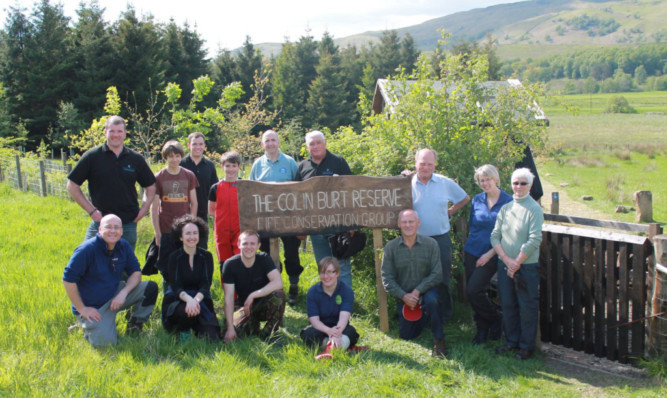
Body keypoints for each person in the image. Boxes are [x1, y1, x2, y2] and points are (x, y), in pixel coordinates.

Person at [63, 214, 158, 347]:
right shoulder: (86, 249)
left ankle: (135, 326)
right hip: (94, 306)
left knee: (150, 287)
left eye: (116, 227)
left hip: (114, 294)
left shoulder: (123, 246)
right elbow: (68, 280)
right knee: (106, 345)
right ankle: (85, 323)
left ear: (122, 231)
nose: (113, 231)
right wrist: (82, 309)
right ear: (99, 230)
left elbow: (136, 273)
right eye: (108, 227)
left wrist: (123, 293)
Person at [66, 115, 156, 249]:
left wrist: (143, 210)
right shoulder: (92, 156)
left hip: (128, 223)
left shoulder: (135, 159)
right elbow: (72, 185)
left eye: (119, 131)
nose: (116, 135)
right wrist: (92, 212)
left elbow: (151, 186)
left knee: (124, 266)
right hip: (100, 222)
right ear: (105, 132)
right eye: (112, 131)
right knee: (86, 258)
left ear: (125, 134)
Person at [411, 148, 470, 323]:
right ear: (416, 164)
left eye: (430, 164)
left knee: (442, 276)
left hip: (440, 239)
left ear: (435, 165)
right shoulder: (407, 182)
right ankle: (422, 315)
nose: (426, 167)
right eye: (422, 163)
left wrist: (450, 212)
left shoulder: (444, 183)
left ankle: (445, 316)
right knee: (418, 277)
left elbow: (464, 198)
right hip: (416, 240)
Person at [490, 168, 544, 360]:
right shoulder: (506, 208)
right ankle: (511, 341)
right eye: (515, 183)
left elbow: (534, 239)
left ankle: (526, 346)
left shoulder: (534, 209)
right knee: (508, 304)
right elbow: (495, 236)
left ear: (530, 185)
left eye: (523, 183)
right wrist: (507, 261)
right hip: (505, 265)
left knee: (527, 307)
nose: (519, 187)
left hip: (526, 267)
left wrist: (517, 262)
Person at [381, 209, 446, 358]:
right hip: (404, 295)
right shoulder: (391, 247)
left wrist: (417, 292)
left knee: (433, 300)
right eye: (404, 222)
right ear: (399, 224)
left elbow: (437, 274)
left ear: (418, 223)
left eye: (411, 221)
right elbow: (387, 278)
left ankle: (439, 340)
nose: (408, 225)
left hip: (427, 291)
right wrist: (404, 296)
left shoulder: (431, 244)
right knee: (407, 335)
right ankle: (424, 316)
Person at [249, 129, 303, 305]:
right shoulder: (257, 164)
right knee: (267, 255)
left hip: (288, 218)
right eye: (267, 141)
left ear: (279, 142)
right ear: (262, 144)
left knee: (291, 253)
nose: (270, 143)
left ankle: (293, 286)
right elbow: (250, 190)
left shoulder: (290, 163)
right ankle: (273, 288)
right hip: (265, 219)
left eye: (273, 140)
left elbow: (299, 189)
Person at [296, 130, 354, 289]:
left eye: (318, 142)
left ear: (325, 143)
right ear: (307, 147)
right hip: (315, 228)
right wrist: (300, 227)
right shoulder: (302, 167)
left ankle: (345, 306)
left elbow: (352, 192)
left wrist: (351, 225)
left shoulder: (338, 162)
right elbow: (297, 198)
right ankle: (329, 303)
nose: (315, 146)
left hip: (338, 226)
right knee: (323, 268)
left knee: (342, 267)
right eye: (311, 144)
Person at [464, 164, 513, 345]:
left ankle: (495, 318)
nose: (485, 183)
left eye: (488, 179)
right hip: (472, 250)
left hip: (493, 253)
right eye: (481, 180)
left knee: (474, 289)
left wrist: (489, 254)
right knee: (472, 293)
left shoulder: (508, 202)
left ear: (496, 179)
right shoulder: (477, 200)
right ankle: (482, 329)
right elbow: (473, 225)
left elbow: (508, 234)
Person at [162, 215, 221, 341]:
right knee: (185, 311)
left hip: (200, 299)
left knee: (213, 337)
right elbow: (176, 285)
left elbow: (206, 284)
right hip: (178, 298)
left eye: (195, 233)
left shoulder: (206, 256)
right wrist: (189, 300)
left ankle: (196, 326)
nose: (192, 237)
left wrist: (195, 301)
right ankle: (183, 331)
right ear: (181, 237)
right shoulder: (174, 257)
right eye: (188, 233)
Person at [222, 230, 286, 343]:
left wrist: (253, 295)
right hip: (244, 307)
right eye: (245, 243)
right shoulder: (230, 265)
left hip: (264, 304)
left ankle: (269, 333)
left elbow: (278, 283)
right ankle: (252, 325)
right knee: (234, 334)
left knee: (278, 295)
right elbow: (229, 297)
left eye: (252, 244)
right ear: (239, 244)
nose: (249, 247)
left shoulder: (264, 258)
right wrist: (230, 328)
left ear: (258, 245)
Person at [150, 140, 198, 275]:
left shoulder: (189, 175)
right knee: (166, 266)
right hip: (165, 228)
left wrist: (191, 225)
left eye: (177, 156)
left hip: (184, 229)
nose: (174, 159)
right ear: (165, 157)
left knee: (184, 264)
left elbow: (194, 203)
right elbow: (154, 207)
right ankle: (168, 293)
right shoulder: (159, 177)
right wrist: (157, 233)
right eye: (171, 156)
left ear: (181, 156)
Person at [300, 257, 361, 359]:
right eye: (322, 273)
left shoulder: (347, 291)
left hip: (340, 327)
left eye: (329, 272)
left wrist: (336, 333)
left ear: (337, 273)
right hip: (320, 328)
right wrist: (329, 331)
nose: (325, 276)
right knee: (308, 334)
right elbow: (314, 321)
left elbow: (343, 318)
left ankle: (329, 350)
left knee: (351, 332)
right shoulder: (312, 292)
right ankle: (340, 347)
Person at [180, 132, 219, 249]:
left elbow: (214, 189)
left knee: (201, 246)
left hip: (202, 212)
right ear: (188, 145)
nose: (198, 147)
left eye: (201, 144)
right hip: (182, 212)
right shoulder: (181, 164)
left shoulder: (209, 165)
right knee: (182, 247)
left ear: (204, 146)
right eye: (194, 144)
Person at [209, 151, 242, 272]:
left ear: (239, 166)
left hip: (240, 229)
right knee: (224, 262)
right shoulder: (215, 187)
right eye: (228, 166)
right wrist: (223, 219)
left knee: (240, 259)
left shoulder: (244, 185)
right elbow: (211, 210)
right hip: (221, 231)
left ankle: (241, 290)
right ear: (222, 166)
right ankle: (228, 290)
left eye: (234, 166)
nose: (231, 169)